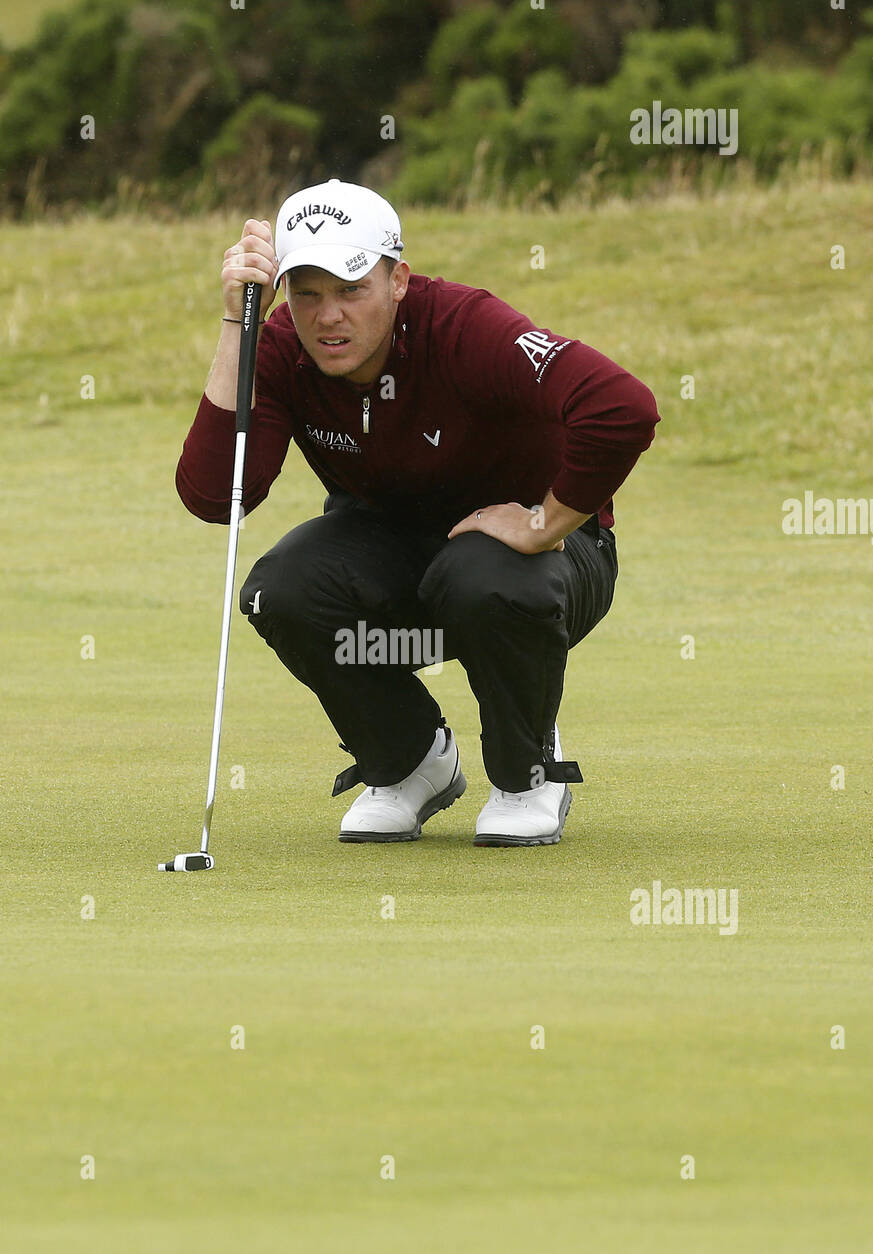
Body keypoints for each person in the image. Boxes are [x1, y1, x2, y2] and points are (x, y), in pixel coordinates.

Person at [175, 178, 659, 847]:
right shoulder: (283, 345)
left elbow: (622, 406)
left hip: (539, 573)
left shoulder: (462, 327)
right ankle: (410, 763)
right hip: (401, 575)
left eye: (351, 290)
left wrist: (546, 521)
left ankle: (527, 773)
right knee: (279, 589)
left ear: (397, 279)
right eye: (307, 293)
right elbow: (214, 495)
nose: (327, 316)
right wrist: (240, 323)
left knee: (483, 575)